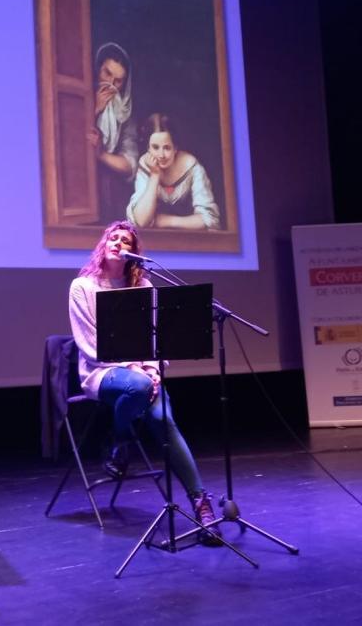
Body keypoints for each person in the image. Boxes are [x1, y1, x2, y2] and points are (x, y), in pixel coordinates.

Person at [67, 221, 222, 545]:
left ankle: (201, 503)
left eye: (125, 240)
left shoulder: (145, 286)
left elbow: (156, 339)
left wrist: (152, 369)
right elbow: (89, 344)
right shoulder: (82, 287)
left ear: (134, 253)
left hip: (143, 374)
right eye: (113, 238)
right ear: (103, 245)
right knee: (136, 387)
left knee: (163, 419)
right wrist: (134, 369)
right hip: (102, 372)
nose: (117, 243)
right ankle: (119, 439)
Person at [126, 113, 221, 230]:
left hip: (191, 237)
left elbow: (210, 220)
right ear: (148, 148)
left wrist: (167, 221)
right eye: (155, 147)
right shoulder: (146, 165)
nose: (161, 155)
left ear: (175, 148)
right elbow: (141, 220)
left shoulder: (192, 166)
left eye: (167, 148)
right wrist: (155, 175)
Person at [87, 42, 139, 222]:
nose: (110, 84)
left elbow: (129, 165)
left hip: (108, 189)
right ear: (97, 68)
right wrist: (94, 109)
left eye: (118, 81)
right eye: (107, 73)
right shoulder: (81, 96)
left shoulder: (125, 114)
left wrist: (101, 154)